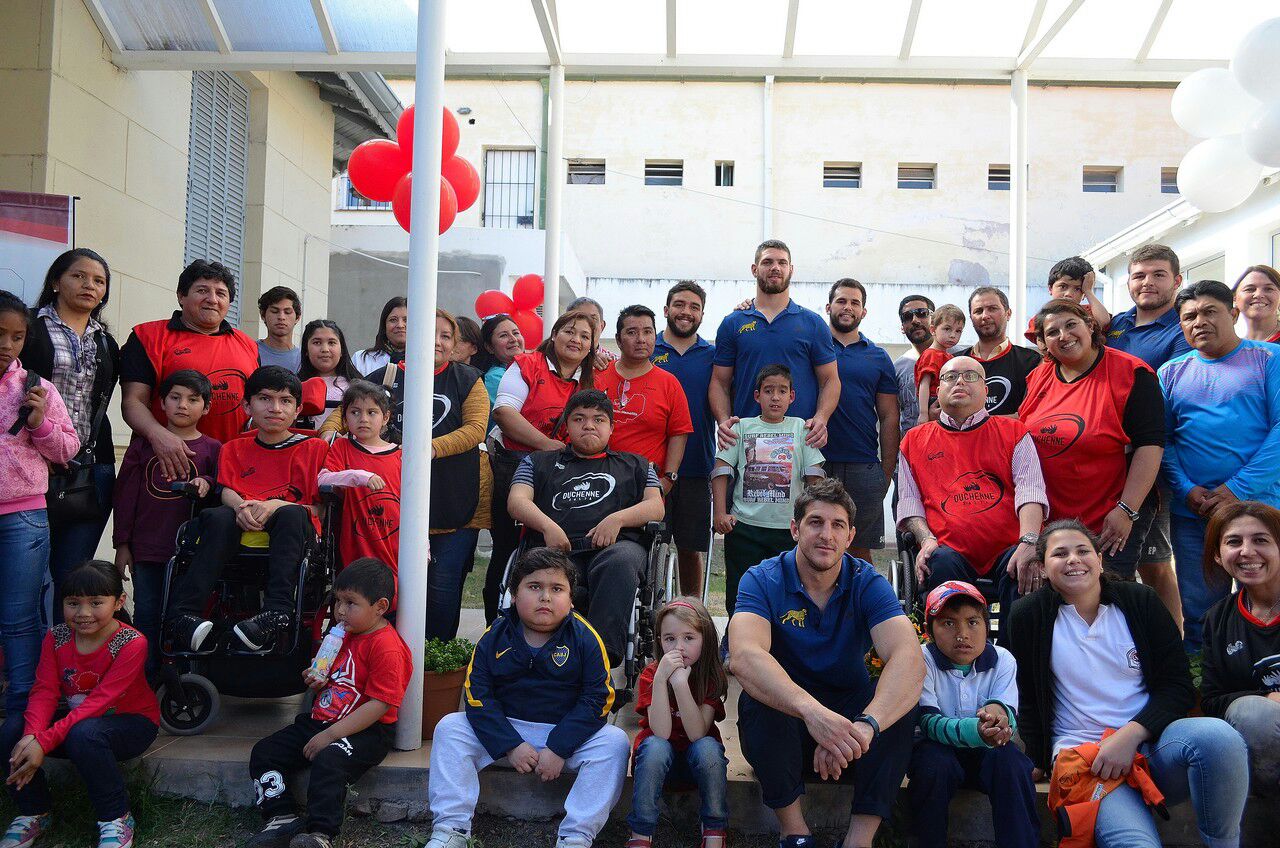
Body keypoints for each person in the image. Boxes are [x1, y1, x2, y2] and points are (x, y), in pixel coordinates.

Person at [1007, 520, 1250, 848]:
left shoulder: (1140, 601)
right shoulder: (1027, 616)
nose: (1073, 559)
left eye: (1083, 551)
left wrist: (1132, 734)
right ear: (1044, 568)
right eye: (1059, 554)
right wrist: (1037, 758)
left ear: (1100, 560)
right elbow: (1029, 698)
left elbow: (1178, 685)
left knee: (1219, 739)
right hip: (1089, 761)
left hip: (1155, 746)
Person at [729, 479, 925, 848]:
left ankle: (858, 840)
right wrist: (812, 713)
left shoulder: (867, 582)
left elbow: (909, 658)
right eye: (815, 522)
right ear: (794, 529)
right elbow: (744, 656)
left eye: (838, 525)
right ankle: (795, 833)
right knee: (757, 700)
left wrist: (864, 727)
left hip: (852, 733)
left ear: (851, 536)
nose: (826, 534)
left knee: (901, 705)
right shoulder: (761, 578)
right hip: (787, 725)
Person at [426, 547, 630, 848]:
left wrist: (560, 747)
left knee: (615, 743)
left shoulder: (586, 637)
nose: (545, 597)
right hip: (507, 730)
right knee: (449, 728)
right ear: (515, 594)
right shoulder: (494, 634)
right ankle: (451, 829)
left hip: (563, 734)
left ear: (571, 598)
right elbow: (477, 695)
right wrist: (510, 745)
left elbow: (598, 699)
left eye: (557, 589)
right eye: (534, 587)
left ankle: (576, 836)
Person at [247, 558, 412, 848]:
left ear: (381, 607)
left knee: (330, 760)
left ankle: (320, 833)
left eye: (351, 603)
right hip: (322, 719)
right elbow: (334, 678)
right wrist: (317, 678)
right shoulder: (342, 634)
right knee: (265, 751)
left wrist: (331, 735)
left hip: (366, 731)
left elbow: (380, 704)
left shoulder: (386, 647)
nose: (340, 611)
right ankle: (281, 816)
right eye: (337, 601)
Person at [165, 366, 329, 653]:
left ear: (298, 408)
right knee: (217, 515)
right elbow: (226, 489)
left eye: (285, 401)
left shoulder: (315, 449)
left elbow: (320, 509)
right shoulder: (233, 448)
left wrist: (276, 504)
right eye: (265, 399)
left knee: (291, 513)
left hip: (292, 528)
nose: (275, 408)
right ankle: (182, 615)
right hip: (238, 523)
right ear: (247, 405)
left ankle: (278, 610)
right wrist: (241, 507)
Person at [0, 561, 158, 848]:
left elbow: (100, 702)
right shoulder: (56, 637)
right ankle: (34, 811)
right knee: (13, 728)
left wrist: (43, 741)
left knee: (85, 733)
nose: (83, 613)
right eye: (73, 603)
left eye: (96, 602)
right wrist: (30, 736)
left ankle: (116, 817)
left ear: (119, 601)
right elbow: (45, 690)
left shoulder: (132, 642)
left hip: (131, 724)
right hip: (80, 720)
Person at [1160, 279, 1280, 649]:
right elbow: (1162, 441)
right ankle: (1205, 687)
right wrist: (1187, 490)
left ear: (1232, 312)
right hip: (1194, 513)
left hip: (1261, 508)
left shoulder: (1269, 359)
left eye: (1210, 311)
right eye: (1189, 316)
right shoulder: (1170, 373)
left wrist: (1234, 490)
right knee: (1199, 610)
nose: (1200, 321)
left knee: (1268, 600)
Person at [508, 390, 666, 667]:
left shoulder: (637, 465)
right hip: (557, 549)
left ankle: (600, 659)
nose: (589, 425)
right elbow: (517, 500)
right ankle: (542, 656)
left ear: (611, 427)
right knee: (548, 572)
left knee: (617, 562)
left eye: (598, 419)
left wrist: (617, 519)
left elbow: (656, 507)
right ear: (567, 426)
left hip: (617, 549)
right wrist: (548, 526)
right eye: (579, 418)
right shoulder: (537, 462)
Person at [897, 356, 1048, 633]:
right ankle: (949, 664)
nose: (959, 382)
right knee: (938, 563)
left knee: (1025, 566)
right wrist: (925, 539)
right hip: (948, 548)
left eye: (970, 376)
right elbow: (909, 504)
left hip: (1008, 546)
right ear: (938, 390)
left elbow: (1031, 491)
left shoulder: (1014, 432)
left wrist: (1029, 541)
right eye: (950, 377)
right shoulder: (913, 441)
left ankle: (1014, 666)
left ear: (986, 390)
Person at [1020, 299, 1164, 579]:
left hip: (1111, 516)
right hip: (1055, 522)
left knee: (1107, 598)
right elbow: (1023, 426)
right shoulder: (1037, 377)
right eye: (1052, 332)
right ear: (1043, 342)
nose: (1063, 336)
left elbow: (1150, 445)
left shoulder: (1132, 373)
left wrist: (1126, 510)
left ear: (1090, 325)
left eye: (1071, 325)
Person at [0, 290, 79, 749]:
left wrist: (39, 422)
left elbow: (67, 450)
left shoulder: (37, 386)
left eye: (17, 336)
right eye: (0, 334)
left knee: (19, 618)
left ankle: (21, 714)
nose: (8, 344)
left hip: (22, 515)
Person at [484, 310, 597, 624]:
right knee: (507, 551)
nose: (576, 340)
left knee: (563, 549)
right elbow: (505, 413)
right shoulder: (528, 364)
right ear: (555, 333)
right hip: (515, 466)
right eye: (569, 331)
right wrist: (551, 447)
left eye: (585, 336)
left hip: (567, 474)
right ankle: (497, 629)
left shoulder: (591, 379)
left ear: (592, 346)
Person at [20, 248, 121, 596]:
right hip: (29, 464)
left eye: (99, 281)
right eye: (78, 276)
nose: (89, 286)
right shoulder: (27, 328)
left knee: (72, 578)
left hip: (91, 468)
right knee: (25, 581)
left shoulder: (106, 341)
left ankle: (62, 649)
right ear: (55, 281)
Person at [907, 581, 1038, 848]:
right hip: (938, 750)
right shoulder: (921, 659)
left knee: (1012, 764)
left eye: (973, 622)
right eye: (948, 623)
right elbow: (929, 722)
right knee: (932, 765)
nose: (962, 634)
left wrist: (997, 722)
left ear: (986, 626)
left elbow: (1004, 709)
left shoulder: (1002, 659)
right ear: (929, 630)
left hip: (988, 752)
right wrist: (977, 730)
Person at [1106, 243, 1192, 632]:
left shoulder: (1181, 329)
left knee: (1143, 563)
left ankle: (1171, 647)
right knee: (1148, 561)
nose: (1148, 283)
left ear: (1177, 279)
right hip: (1111, 463)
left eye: (1158, 274)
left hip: (1153, 463)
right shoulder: (1117, 326)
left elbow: (1163, 398)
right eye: (1139, 275)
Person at [112, 369, 220, 676]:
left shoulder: (214, 449)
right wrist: (122, 544)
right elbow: (125, 497)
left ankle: (183, 681)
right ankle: (143, 680)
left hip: (191, 555)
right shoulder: (143, 446)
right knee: (146, 614)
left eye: (193, 399)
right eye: (175, 397)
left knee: (185, 617)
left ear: (207, 407)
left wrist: (207, 481)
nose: (183, 405)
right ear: (161, 402)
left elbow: (224, 491)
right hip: (146, 550)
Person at [119, 259, 259, 471]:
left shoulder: (248, 345)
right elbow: (133, 401)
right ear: (181, 296)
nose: (212, 299)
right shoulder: (148, 337)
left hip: (231, 467)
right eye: (202, 290)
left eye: (221, 293)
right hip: (165, 464)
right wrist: (159, 436)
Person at [713, 365, 825, 617]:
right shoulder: (741, 428)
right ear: (757, 396)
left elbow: (815, 478)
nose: (775, 397)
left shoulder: (801, 429)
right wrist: (719, 513)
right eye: (768, 391)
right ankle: (735, 639)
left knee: (789, 592)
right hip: (745, 528)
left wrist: (814, 519)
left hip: (790, 530)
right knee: (740, 591)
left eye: (782, 391)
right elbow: (721, 470)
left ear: (791, 397)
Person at [710, 239, 840, 451]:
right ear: (754, 269)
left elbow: (830, 380)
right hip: (746, 442)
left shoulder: (813, 323)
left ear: (791, 269)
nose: (775, 268)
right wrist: (723, 421)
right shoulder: (733, 323)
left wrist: (821, 418)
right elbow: (719, 382)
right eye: (767, 262)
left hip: (801, 442)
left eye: (782, 262)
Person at [627, 597, 728, 848]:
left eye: (689, 638)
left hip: (698, 767)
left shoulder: (710, 677)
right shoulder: (652, 673)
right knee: (654, 747)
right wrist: (662, 680)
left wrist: (681, 684)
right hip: (658, 766)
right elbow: (660, 733)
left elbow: (696, 734)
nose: (678, 647)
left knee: (707, 747)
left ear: (705, 639)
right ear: (660, 641)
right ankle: (640, 834)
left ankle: (714, 830)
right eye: (670, 638)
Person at [1200, 500, 1280, 797]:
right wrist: (1268, 698)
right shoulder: (1217, 620)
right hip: (1265, 749)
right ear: (1219, 556)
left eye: (1261, 540)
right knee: (1254, 715)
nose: (1246, 551)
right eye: (1234, 542)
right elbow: (1212, 700)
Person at [823, 279, 899, 562]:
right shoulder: (811, 347)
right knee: (813, 545)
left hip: (863, 465)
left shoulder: (878, 356)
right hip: (815, 462)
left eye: (855, 302)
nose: (848, 307)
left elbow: (890, 416)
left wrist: (885, 472)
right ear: (829, 307)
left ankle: (860, 607)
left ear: (864, 312)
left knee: (859, 549)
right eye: (842, 301)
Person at [426, 311, 490, 638]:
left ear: (453, 344)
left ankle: (436, 668)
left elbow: (477, 428)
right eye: (429, 331)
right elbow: (347, 411)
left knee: (442, 590)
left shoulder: (468, 379)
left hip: (455, 499)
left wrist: (427, 448)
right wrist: (330, 430)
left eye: (445, 336)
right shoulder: (387, 377)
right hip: (396, 500)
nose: (437, 341)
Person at [652, 282, 717, 597]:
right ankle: (653, 616)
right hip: (650, 469)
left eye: (694, 307)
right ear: (666, 310)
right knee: (653, 548)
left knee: (691, 549)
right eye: (679, 305)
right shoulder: (647, 349)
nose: (686, 312)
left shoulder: (714, 356)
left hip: (695, 467)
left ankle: (692, 613)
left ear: (702, 314)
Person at [596, 304, 693, 480]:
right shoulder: (597, 375)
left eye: (648, 332)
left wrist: (669, 479)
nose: (641, 339)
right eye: (632, 332)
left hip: (645, 487)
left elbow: (679, 434)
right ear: (618, 339)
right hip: (598, 481)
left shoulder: (669, 383)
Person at [318, 382, 402, 579]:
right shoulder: (341, 447)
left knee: (393, 597)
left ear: (386, 417)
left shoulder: (400, 455)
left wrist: (424, 547)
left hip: (393, 540)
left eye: (372, 412)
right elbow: (323, 479)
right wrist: (360, 476)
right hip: (355, 540)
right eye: (355, 412)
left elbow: (416, 504)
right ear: (345, 417)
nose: (363, 419)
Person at [955, 287, 1040, 417]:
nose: (985, 316)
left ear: (1008, 313)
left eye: (992, 309)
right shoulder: (954, 362)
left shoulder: (1032, 361)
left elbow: (1032, 414)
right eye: (978, 311)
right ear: (971, 319)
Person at [1020, 257, 1111, 345]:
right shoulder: (1042, 318)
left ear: (1084, 295)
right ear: (1050, 288)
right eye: (1063, 286)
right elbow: (1042, 345)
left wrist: (1088, 291)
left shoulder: (1090, 311)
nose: (1068, 294)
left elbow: (1104, 322)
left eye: (1077, 289)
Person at [296, 319, 360, 431]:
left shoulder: (358, 387)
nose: (325, 349)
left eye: (331, 343)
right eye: (317, 343)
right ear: (306, 349)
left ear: (342, 350)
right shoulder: (294, 385)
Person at [914, 304, 965, 426]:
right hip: (933, 401)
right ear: (933, 330)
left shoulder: (949, 357)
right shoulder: (930, 355)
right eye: (947, 329)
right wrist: (923, 413)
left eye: (958, 331)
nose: (953, 335)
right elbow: (924, 384)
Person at [893, 295, 934, 437]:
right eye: (907, 317)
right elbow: (891, 418)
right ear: (902, 328)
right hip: (910, 451)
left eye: (922, 313)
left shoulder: (957, 357)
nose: (915, 320)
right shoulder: (896, 367)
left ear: (934, 319)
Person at [351, 296, 407, 375]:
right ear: (384, 326)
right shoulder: (361, 360)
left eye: (406, 320)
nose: (400, 325)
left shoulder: (428, 363)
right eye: (393, 320)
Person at [476, 313, 525, 404]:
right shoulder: (494, 377)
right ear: (489, 347)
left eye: (516, 333)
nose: (513, 339)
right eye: (503, 335)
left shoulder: (531, 369)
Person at [257, 286, 302, 373]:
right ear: (263, 315)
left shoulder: (304, 360)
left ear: (297, 317)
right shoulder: (249, 353)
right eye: (274, 311)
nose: (281, 317)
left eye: (287, 312)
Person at [565, 295, 618, 369]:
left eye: (593, 318)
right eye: (580, 317)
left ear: (602, 326)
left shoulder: (615, 363)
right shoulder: (549, 362)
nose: (587, 324)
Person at [1232, 264, 1280, 345]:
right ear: (1235, 298)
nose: (1258, 294)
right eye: (1249, 289)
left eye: (1269, 289)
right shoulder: (1230, 350)